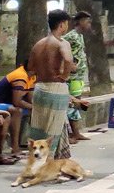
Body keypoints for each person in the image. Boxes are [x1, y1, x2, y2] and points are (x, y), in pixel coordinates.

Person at [28, 9, 76, 160]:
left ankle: (43, 161)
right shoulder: (62, 43)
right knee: (53, 129)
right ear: (61, 25)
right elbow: (68, 60)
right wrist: (64, 75)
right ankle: (47, 162)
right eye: (66, 24)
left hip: (40, 88)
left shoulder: (38, 44)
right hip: (56, 87)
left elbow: (30, 68)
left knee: (39, 128)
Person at [0, 60, 37, 156]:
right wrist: (34, 107)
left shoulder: (32, 76)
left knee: (34, 111)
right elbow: (17, 102)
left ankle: (33, 144)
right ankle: (15, 146)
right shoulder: (20, 76)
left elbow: (30, 99)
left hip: (8, 104)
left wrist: (35, 108)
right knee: (17, 111)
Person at [65, 10, 93, 142]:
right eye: (87, 21)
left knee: (77, 103)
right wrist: (69, 64)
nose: (89, 24)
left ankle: (76, 132)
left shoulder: (80, 36)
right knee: (72, 104)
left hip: (79, 76)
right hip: (72, 77)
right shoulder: (71, 36)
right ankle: (72, 133)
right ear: (80, 21)